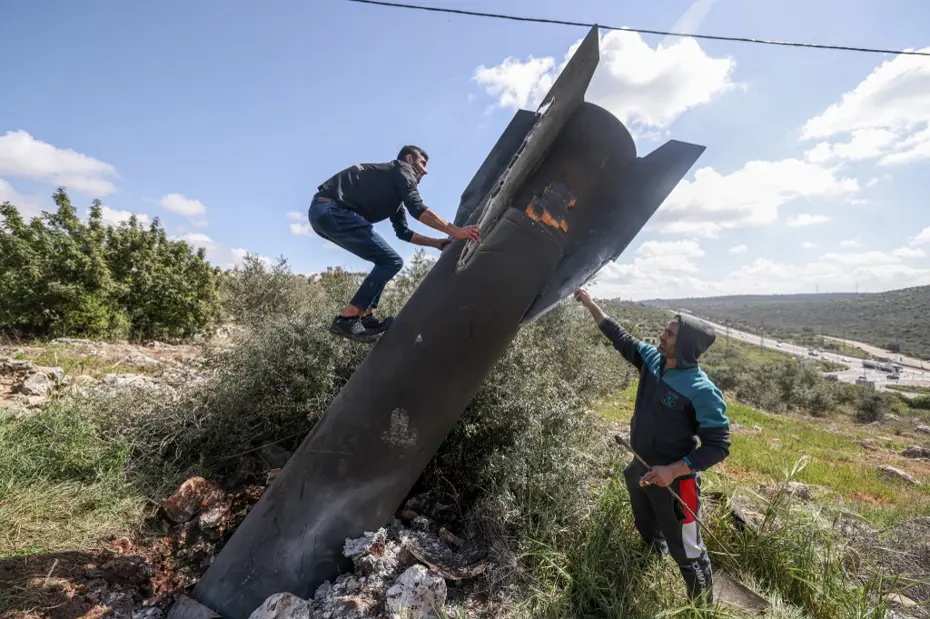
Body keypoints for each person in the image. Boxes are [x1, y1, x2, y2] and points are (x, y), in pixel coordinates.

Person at [574, 288, 730, 608]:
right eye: (665, 330)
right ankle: (652, 558)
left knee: (688, 551)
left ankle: (702, 609)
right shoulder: (653, 361)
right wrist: (590, 304)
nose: (662, 335)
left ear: (684, 345)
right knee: (645, 524)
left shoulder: (702, 391)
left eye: (670, 334)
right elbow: (620, 337)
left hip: (676, 483)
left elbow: (719, 446)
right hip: (641, 468)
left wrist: (672, 470)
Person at [309, 145, 481, 343]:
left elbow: (403, 233)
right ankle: (348, 318)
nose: (425, 171)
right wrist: (455, 230)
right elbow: (417, 208)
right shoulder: (402, 168)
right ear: (409, 159)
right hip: (331, 210)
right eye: (423, 163)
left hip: (323, 214)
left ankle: (366, 316)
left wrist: (435, 243)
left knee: (386, 261)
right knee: (391, 261)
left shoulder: (393, 193)